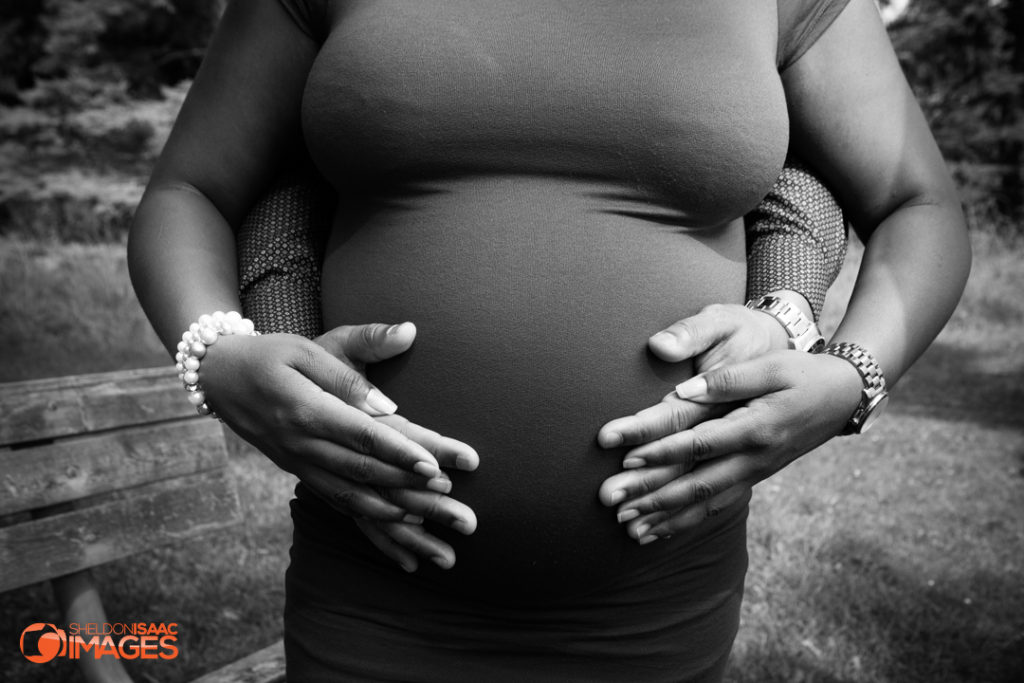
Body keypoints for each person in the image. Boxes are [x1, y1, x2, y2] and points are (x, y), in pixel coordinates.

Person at [127, 1, 971, 681]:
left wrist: (847, 378)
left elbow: (916, 205)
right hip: (374, 581)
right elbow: (189, 191)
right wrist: (223, 358)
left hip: (655, 598)